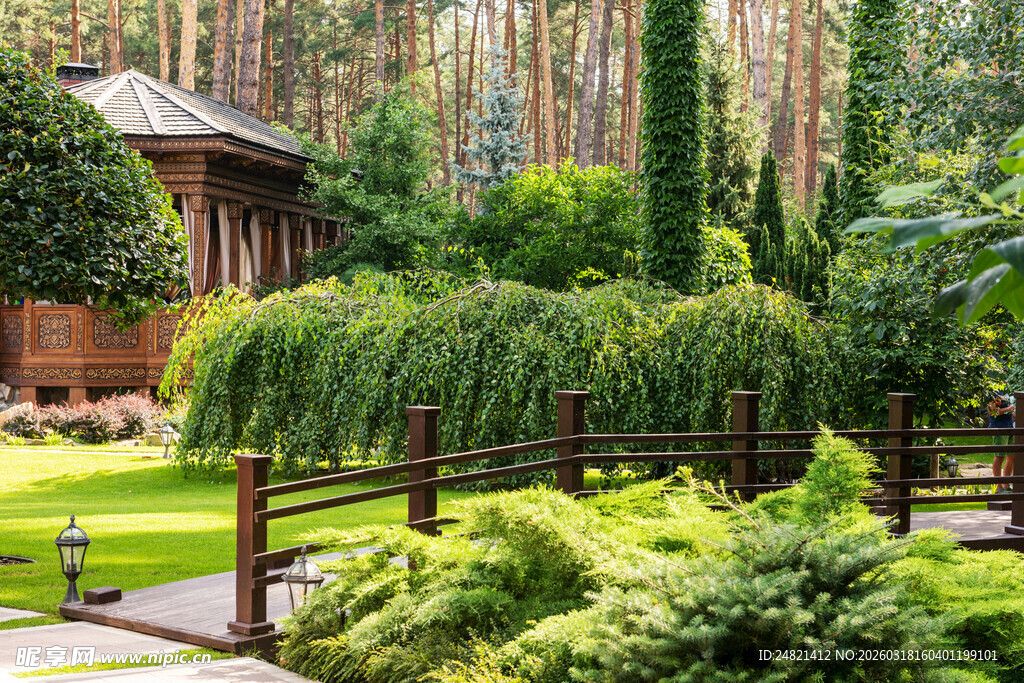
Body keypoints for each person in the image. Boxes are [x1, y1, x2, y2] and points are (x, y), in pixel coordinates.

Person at [988, 391, 1016, 491]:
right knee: (1000, 456)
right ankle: (998, 486)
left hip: (1010, 427)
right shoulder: (991, 392)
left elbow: (1009, 412)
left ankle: (1005, 485)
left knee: (1012, 456)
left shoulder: (1006, 391)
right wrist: (1008, 409)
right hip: (999, 428)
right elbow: (992, 411)